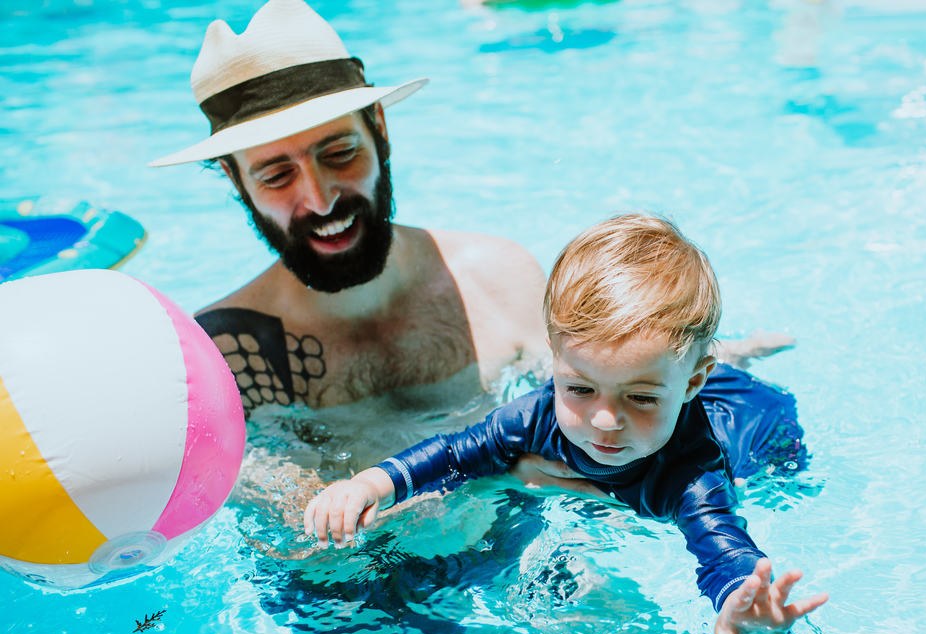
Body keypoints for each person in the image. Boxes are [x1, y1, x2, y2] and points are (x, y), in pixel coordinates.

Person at [150, 0, 793, 424]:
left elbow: (595, 382)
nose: (318, 199)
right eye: (276, 173)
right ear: (233, 181)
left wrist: (693, 364)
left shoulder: (497, 275)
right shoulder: (219, 355)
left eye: (339, 152)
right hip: (347, 607)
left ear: (379, 128)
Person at [303, 214, 828, 634]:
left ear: (691, 384)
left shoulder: (694, 474)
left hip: (755, 424)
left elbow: (720, 544)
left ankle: (733, 361)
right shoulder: (533, 415)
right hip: (686, 382)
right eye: (578, 388)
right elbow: (453, 453)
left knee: (781, 475)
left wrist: (740, 597)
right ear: (553, 357)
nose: (604, 420)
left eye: (639, 399)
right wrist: (370, 483)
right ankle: (709, 361)